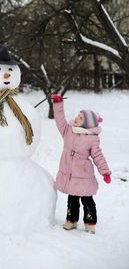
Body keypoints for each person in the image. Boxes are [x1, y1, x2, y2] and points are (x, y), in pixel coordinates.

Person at [52, 94, 111, 234]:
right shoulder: (68, 131)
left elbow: (98, 156)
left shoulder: (92, 139)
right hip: (70, 174)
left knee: (87, 199)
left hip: (83, 174)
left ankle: (90, 222)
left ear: (87, 124)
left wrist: (105, 172)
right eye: (77, 116)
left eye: (80, 118)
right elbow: (60, 120)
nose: (76, 118)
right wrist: (58, 104)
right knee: (72, 199)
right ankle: (71, 221)